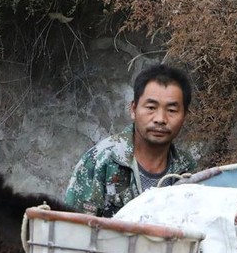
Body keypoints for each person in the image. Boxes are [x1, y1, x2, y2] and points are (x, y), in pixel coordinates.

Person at [64, 63, 199, 218]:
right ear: (133, 110)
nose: (160, 119)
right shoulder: (101, 161)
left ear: (185, 116)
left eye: (172, 110)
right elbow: (72, 231)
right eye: (151, 107)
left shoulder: (188, 171)